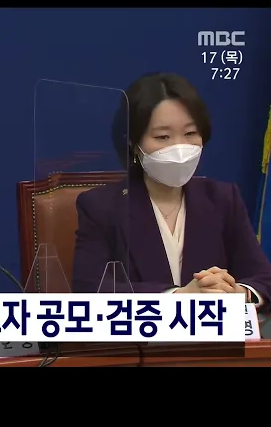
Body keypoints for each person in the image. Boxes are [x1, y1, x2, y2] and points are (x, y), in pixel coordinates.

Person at [72, 72, 271, 305]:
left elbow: (263, 278)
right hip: (143, 327)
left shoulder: (223, 198)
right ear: (133, 144)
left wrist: (238, 293)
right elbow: (89, 287)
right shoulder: (101, 207)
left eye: (190, 133)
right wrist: (178, 296)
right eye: (163, 137)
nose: (179, 148)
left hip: (215, 326)